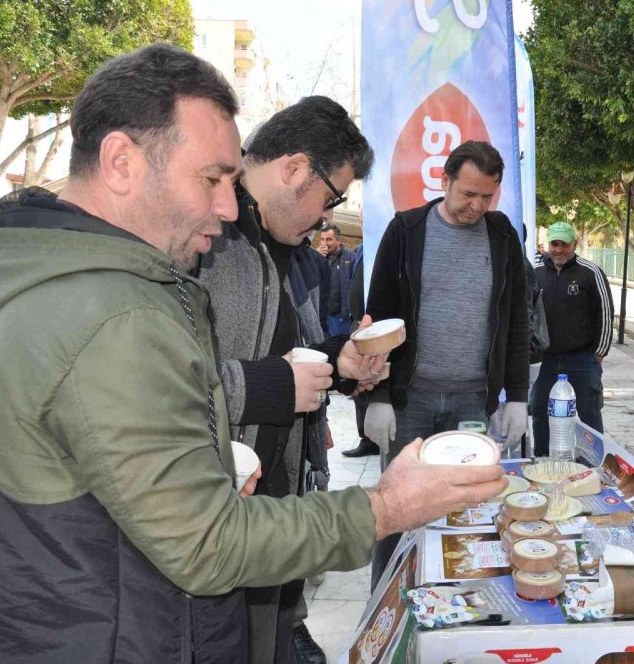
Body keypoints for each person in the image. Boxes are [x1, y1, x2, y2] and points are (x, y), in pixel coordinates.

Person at [0, 44, 507, 663]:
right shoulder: (113, 312)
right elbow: (208, 543)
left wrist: (330, 370)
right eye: (212, 178)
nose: (226, 205)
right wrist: (386, 506)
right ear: (120, 162)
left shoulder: (73, 280)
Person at [197, 96, 371, 664]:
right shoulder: (202, 238)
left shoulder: (287, 251)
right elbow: (154, 386)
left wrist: (340, 362)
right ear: (295, 169)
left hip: (273, 513)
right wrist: (276, 385)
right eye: (333, 196)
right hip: (209, 519)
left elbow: (288, 356)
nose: (328, 216)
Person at [364, 140, 530, 587]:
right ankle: (387, 601)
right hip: (410, 399)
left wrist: (516, 397)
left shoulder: (502, 236)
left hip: (473, 402)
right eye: (467, 194)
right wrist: (377, 397)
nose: (476, 206)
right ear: (445, 182)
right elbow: (377, 319)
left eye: (486, 197)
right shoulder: (406, 230)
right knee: (398, 511)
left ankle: (458, 602)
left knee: (468, 509)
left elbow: (515, 319)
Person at [531, 221, 614, 456]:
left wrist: (600, 352)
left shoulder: (590, 272)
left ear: (574, 244)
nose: (558, 250)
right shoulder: (536, 274)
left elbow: (605, 313)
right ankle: (543, 459)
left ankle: (594, 460)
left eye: (564, 245)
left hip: (582, 359)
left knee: (589, 412)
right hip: (545, 361)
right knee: (539, 410)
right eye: (554, 244)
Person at [342, 214, 381, 459]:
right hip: (358, 328)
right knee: (359, 385)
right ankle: (366, 438)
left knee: (374, 381)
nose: (363, 219)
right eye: (362, 215)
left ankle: (376, 438)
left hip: (376, 329)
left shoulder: (381, 245)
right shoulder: (361, 249)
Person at [317, 223, 358, 338]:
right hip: (321, 316)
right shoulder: (315, 256)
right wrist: (317, 258)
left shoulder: (351, 258)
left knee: (338, 351)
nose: (324, 243)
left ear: (338, 241)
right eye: (322, 239)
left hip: (340, 318)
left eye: (328, 239)